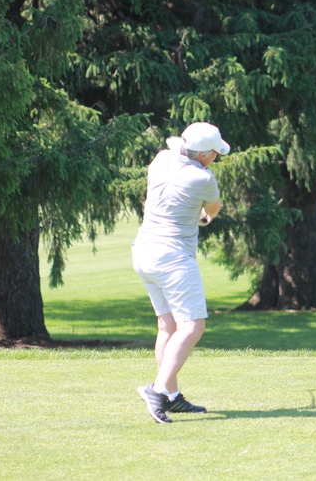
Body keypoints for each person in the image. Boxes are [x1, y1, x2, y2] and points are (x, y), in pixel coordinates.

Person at [132, 121, 230, 423]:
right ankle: (158, 390)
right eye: (214, 153)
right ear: (204, 155)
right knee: (193, 327)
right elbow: (212, 209)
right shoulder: (203, 177)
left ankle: (172, 396)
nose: (216, 157)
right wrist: (204, 218)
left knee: (168, 326)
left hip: (144, 251)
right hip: (173, 258)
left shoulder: (161, 159)